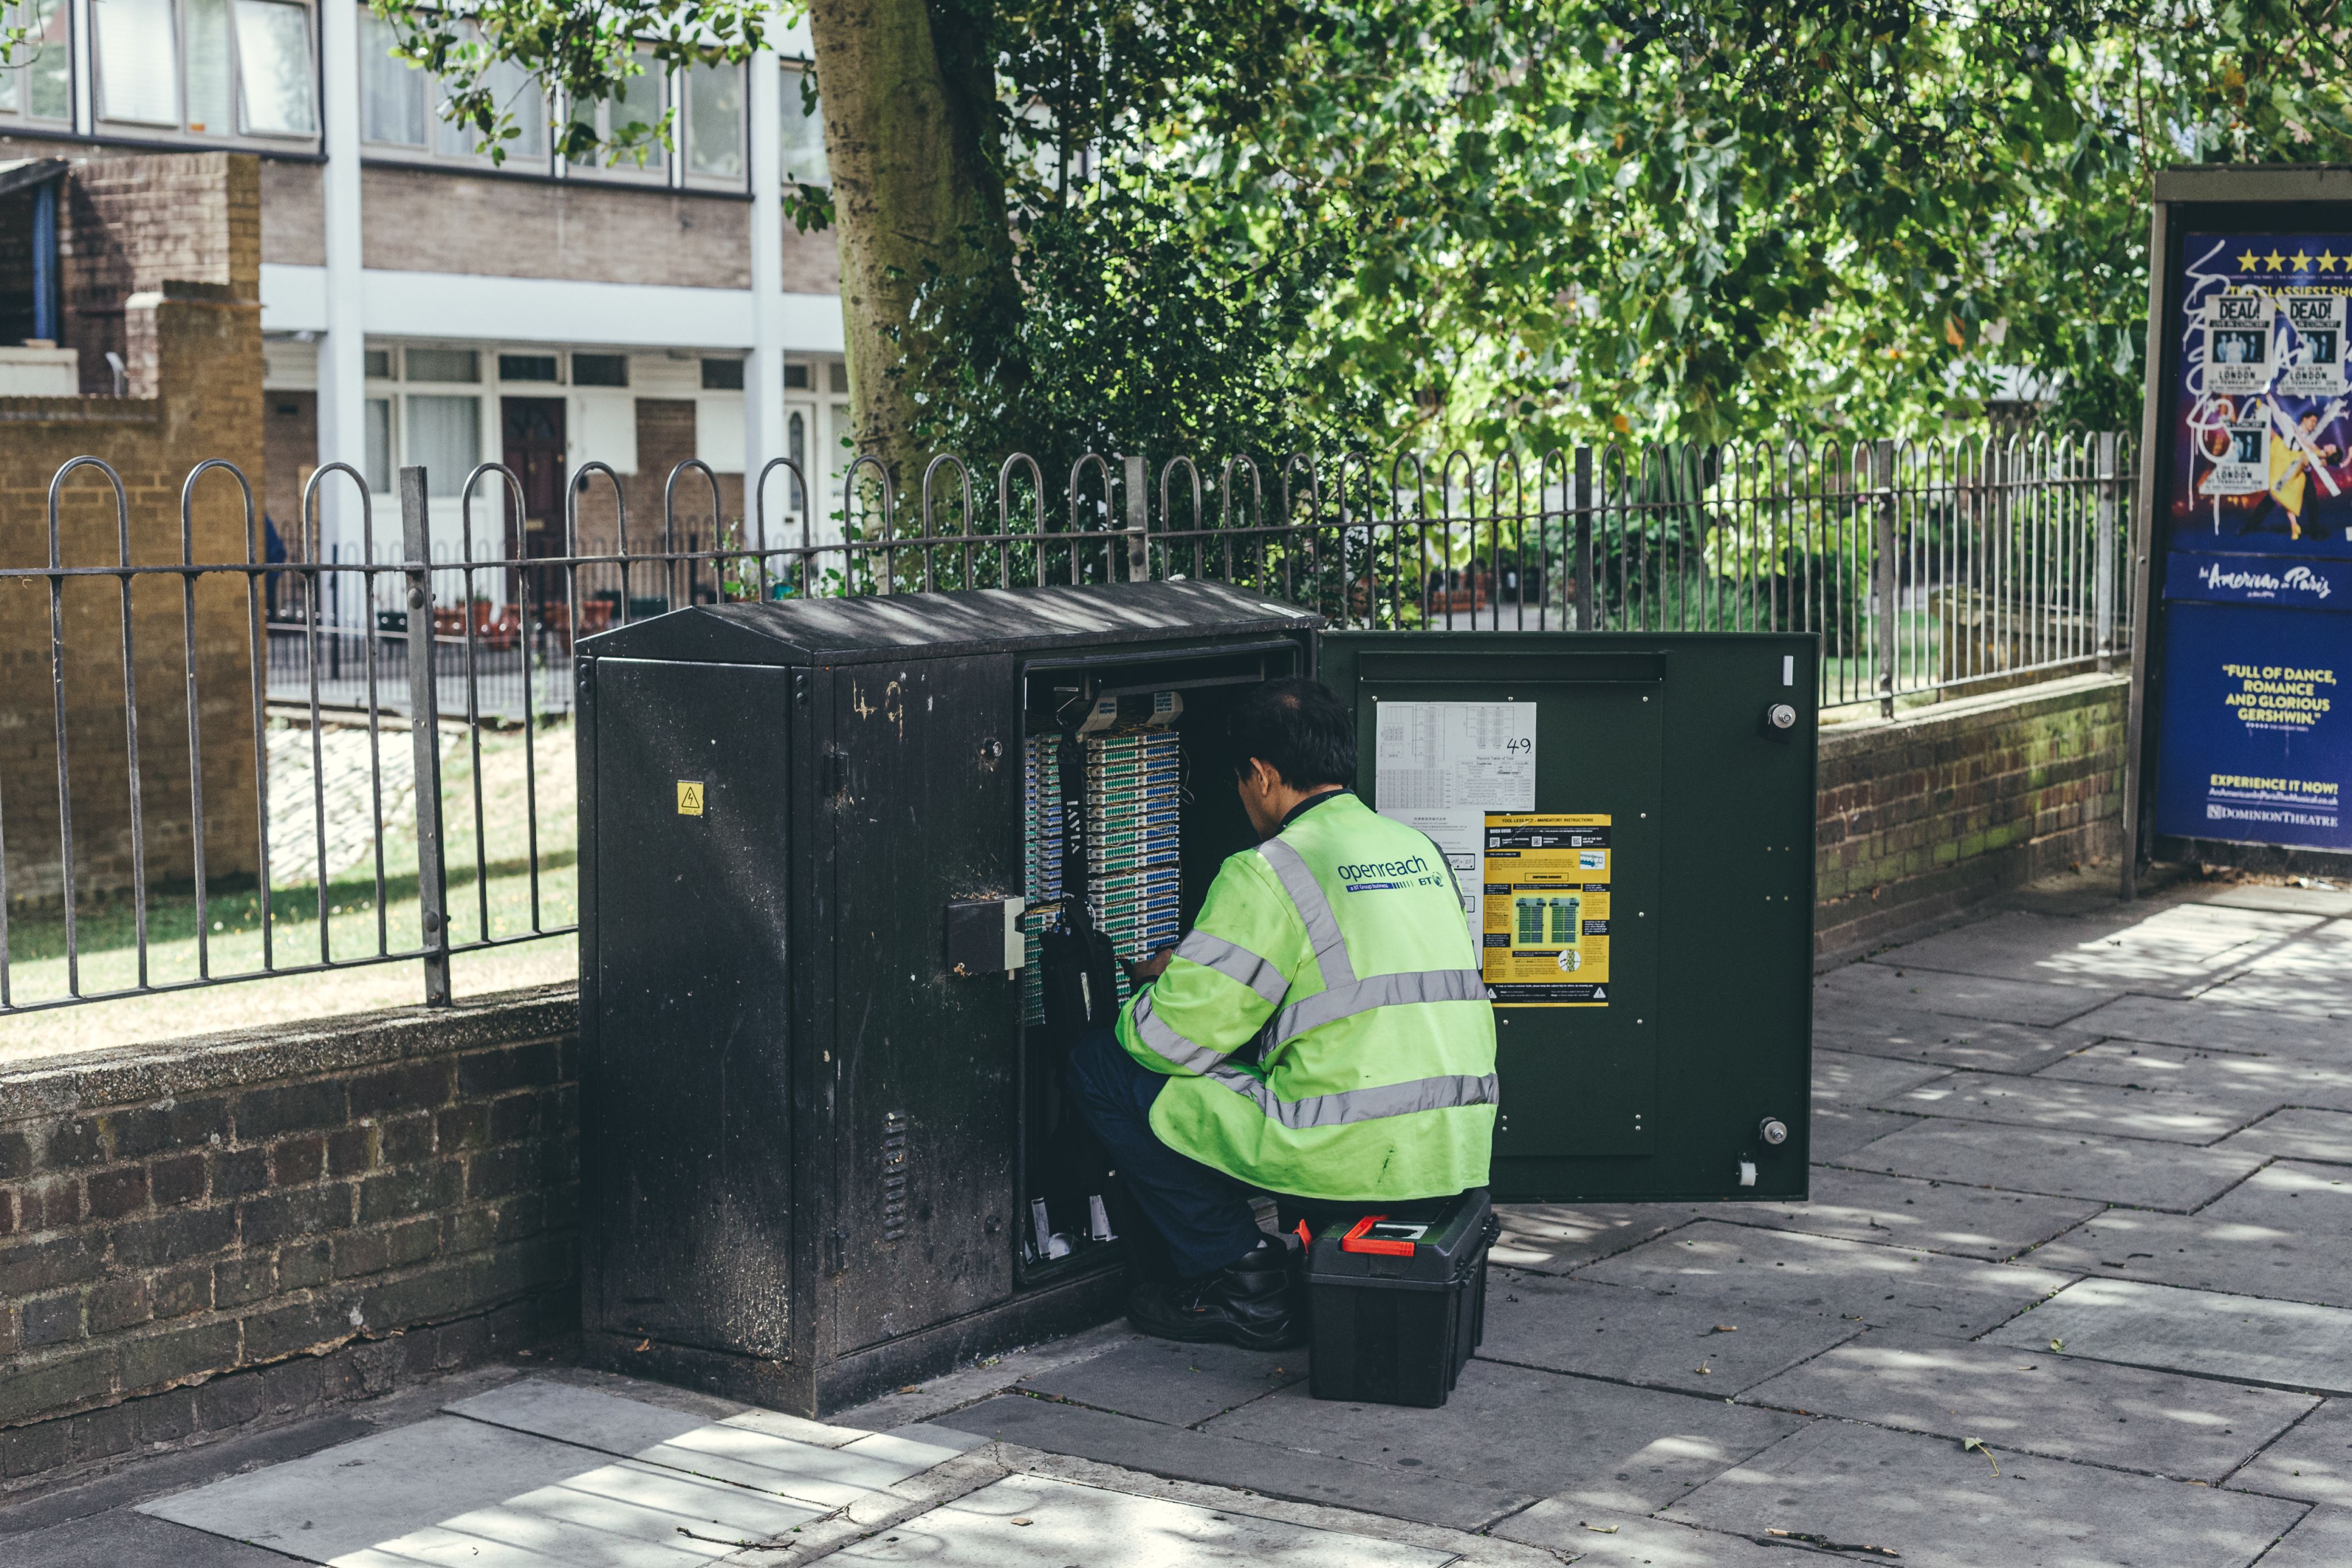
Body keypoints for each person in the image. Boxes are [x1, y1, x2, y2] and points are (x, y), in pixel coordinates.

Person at [1062, 677, 1498, 1349]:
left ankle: (1243, 1284)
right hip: (1449, 1150)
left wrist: (1154, 985)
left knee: (1102, 1065)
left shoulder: (1268, 869)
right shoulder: (1418, 851)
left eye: (1241, 783)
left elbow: (1165, 1040)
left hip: (1347, 1151)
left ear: (1262, 776)